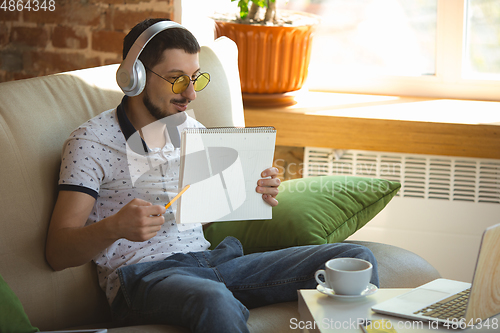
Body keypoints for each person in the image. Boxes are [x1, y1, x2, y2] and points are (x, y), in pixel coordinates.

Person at [46, 18, 379, 333]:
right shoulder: (91, 142)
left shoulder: (191, 129)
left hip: (214, 261)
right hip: (144, 278)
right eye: (177, 79)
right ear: (136, 76)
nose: (190, 95)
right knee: (214, 299)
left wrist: (251, 191)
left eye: (196, 79)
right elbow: (57, 251)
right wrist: (115, 226)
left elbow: (201, 216)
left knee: (354, 259)